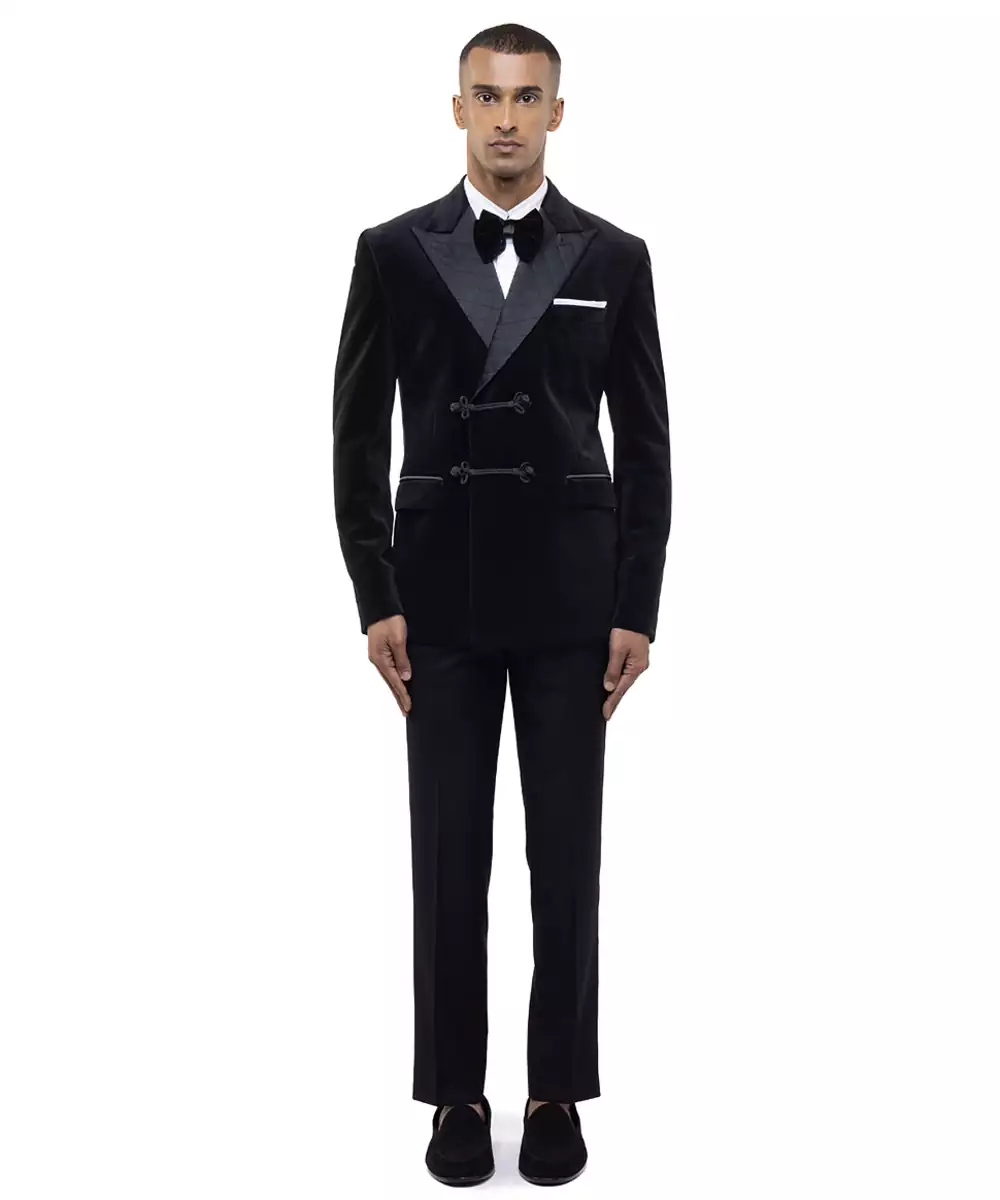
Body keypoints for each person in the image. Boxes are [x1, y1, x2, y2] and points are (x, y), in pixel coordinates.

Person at [332, 22, 671, 1187]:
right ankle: (455, 1096)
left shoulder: (616, 257)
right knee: (447, 861)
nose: (507, 118)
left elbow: (648, 443)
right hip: (436, 601)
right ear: (457, 108)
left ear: (557, 113)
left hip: (576, 603)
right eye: (488, 96)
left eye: (528, 98)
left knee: (566, 861)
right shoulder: (391, 251)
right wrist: (374, 590)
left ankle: (554, 1091)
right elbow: (352, 435)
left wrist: (638, 605)